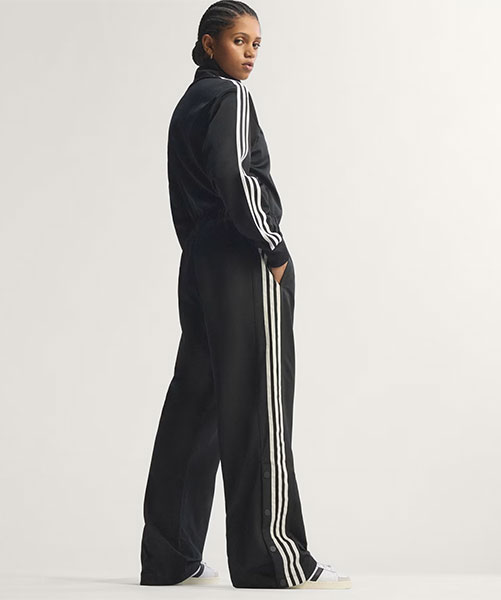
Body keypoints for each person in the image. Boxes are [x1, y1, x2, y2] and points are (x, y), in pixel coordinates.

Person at [139, 1, 351, 590]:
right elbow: (238, 173)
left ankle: (170, 558)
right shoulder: (229, 97)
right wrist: (272, 247)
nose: (250, 53)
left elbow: (189, 190)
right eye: (239, 40)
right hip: (241, 260)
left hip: (200, 264)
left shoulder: (188, 103)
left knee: (196, 402)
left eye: (256, 43)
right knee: (259, 405)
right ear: (209, 43)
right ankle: (274, 560)